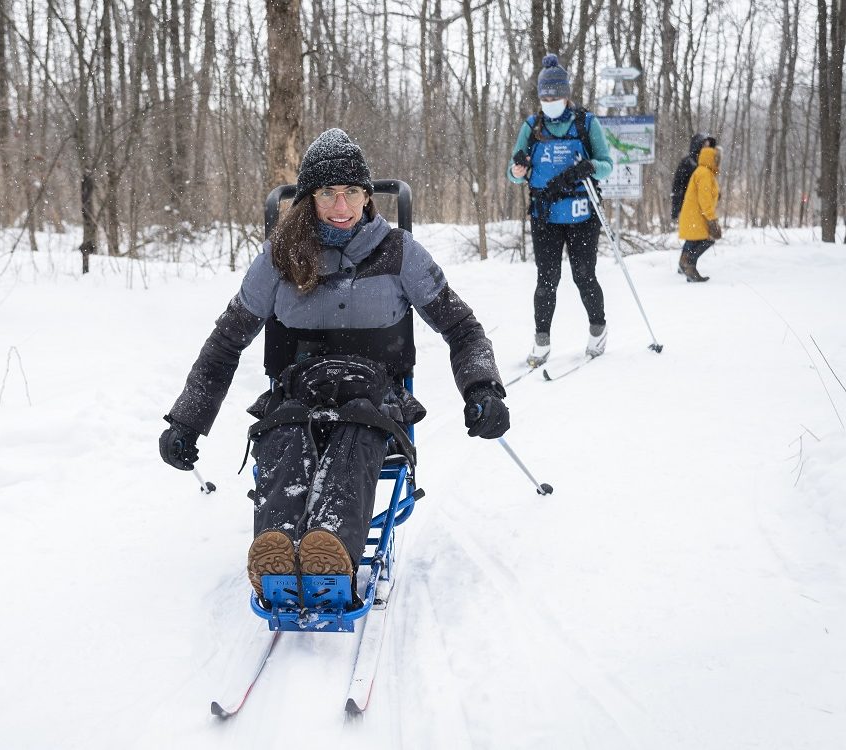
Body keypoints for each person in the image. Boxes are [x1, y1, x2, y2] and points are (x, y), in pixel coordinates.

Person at [158, 128, 508, 603]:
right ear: (308, 199)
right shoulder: (280, 258)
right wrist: (187, 420)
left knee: (357, 433)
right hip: (298, 393)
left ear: (367, 197)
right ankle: (275, 549)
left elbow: (461, 327)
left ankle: (331, 552)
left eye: (351, 193)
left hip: (374, 396)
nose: (341, 207)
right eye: (327, 193)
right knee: (283, 433)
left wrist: (482, 388)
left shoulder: (400, 253)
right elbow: (225, 343)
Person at [507, 53, 614, 367]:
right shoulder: (532, 126)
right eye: (544, 96)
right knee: (547, 280)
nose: (550, 100)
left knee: (584, 276)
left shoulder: (586, 123)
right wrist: (517, 168)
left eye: (554, 94)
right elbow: (512, 174)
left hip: (582, 214)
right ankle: (541, 342)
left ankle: (598, 329)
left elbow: (607, 165)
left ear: (566, 95)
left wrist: (589, 168)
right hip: (545, 216)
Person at [677, 144, 722, 282]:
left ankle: (687, 266)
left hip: (694, 215)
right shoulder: (704, 174)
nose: (718, 162)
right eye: (717, 159)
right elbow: (705, 198)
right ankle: (688, 264)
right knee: (708, 239)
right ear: (711, 159)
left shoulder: (702, 171)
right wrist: (711, 218)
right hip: (697, 215)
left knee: (692, 240)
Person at [671, 133, 717, 223]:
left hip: (702, 209)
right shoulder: (687, 163)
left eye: (708, 145)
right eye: (704, 145)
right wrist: (676, 208)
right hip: (689, 206)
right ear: (698, 145)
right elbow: (678, 187)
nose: (706, 148)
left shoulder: (707, 164)